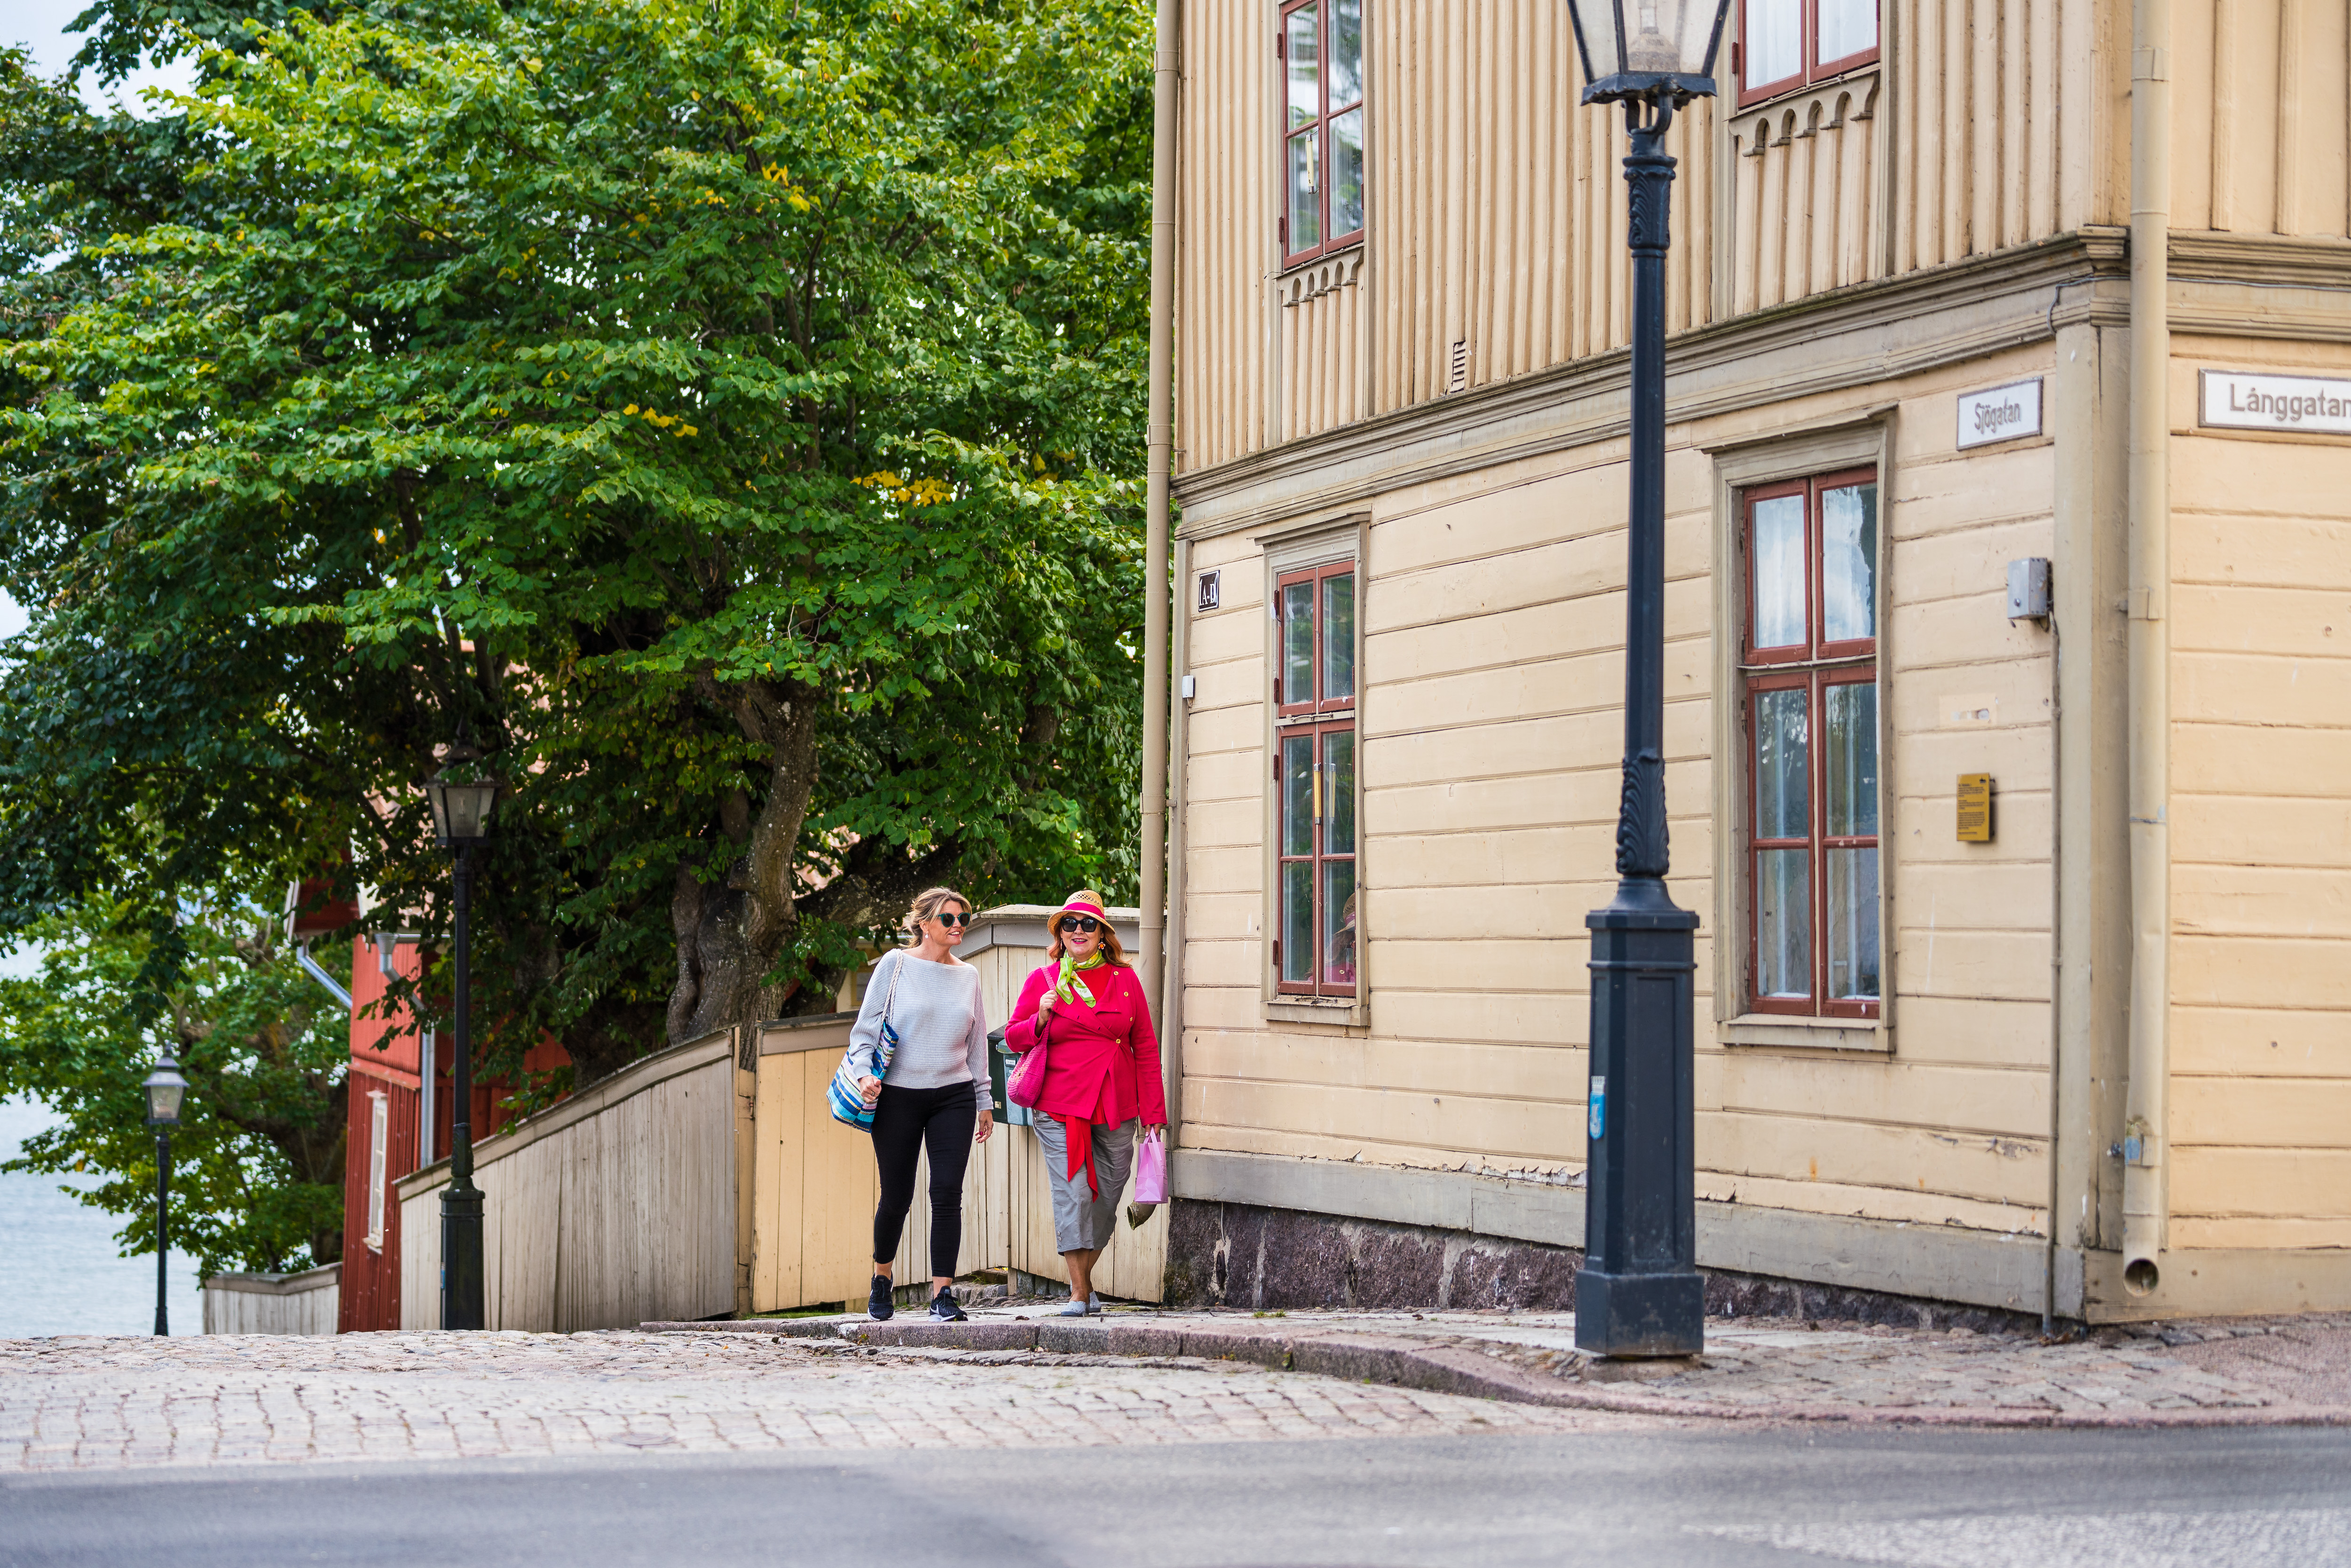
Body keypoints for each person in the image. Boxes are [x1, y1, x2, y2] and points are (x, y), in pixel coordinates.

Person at [1002, 891, 1168, 1316]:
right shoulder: (1043, 980)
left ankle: (1084, 1282)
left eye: (1088, 924)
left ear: (1102, 935)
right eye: (1070, 923)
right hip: (1059, 1104)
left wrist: (1154, 1115)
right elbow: (1014, 1038)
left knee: (1108, 1195)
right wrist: (1040, 1016)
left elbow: (1146, 1047)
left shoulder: (1125, 980)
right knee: (1074, 1193)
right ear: (1060, 932)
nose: (1078, 930)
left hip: (1115, 1101)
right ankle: (1079, 1294)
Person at [849, 886, 994, 1322]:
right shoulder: (895, 965)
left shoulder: (968, 976)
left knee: (948, 1192)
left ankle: (943, 1294)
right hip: (897, 1097)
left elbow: (976, 1046)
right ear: (925, 923)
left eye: (963, 919)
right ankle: (881, 1277)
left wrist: (983, 1098)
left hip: (954, 1095)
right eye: (948, 918)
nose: (958, 926)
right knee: (897, 1195)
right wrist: (865, 1075)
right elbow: (865, 1032)